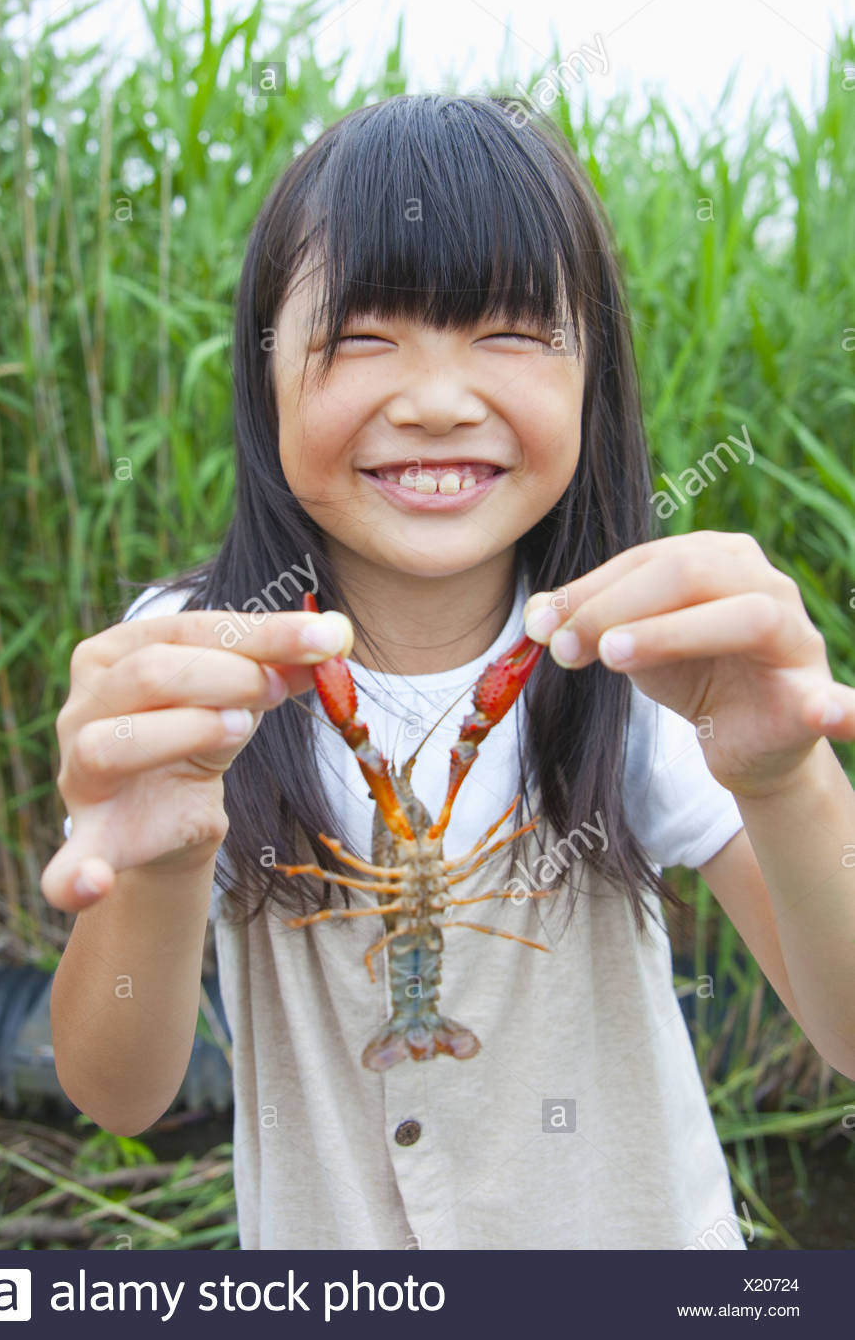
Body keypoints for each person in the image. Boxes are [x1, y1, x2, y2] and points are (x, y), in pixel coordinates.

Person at [44, 93, 855, 1250]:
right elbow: (118, 1096)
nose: (433, 401)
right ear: (262, 368)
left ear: (596, 378)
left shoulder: (647, 651)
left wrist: (786, 781)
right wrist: (167, 867)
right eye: (362, 339)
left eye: (512, 335)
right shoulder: (196, 657)